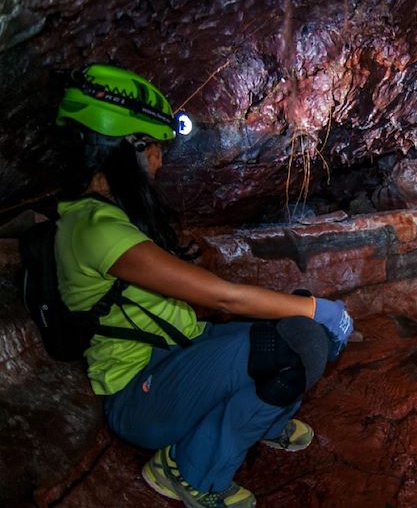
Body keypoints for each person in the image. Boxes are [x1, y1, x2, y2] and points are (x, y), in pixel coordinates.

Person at [52, 63, 354, 508]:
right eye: (152, 147)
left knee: (299, 328)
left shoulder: (109, 215)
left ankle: (260, 421)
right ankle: (188, 473)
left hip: (179, 349)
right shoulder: (95, 229)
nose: (157, 160)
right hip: (141, 393)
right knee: (294, 347)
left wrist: (307, 311)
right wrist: (320, 311)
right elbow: (221, 295)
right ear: (123, 148)